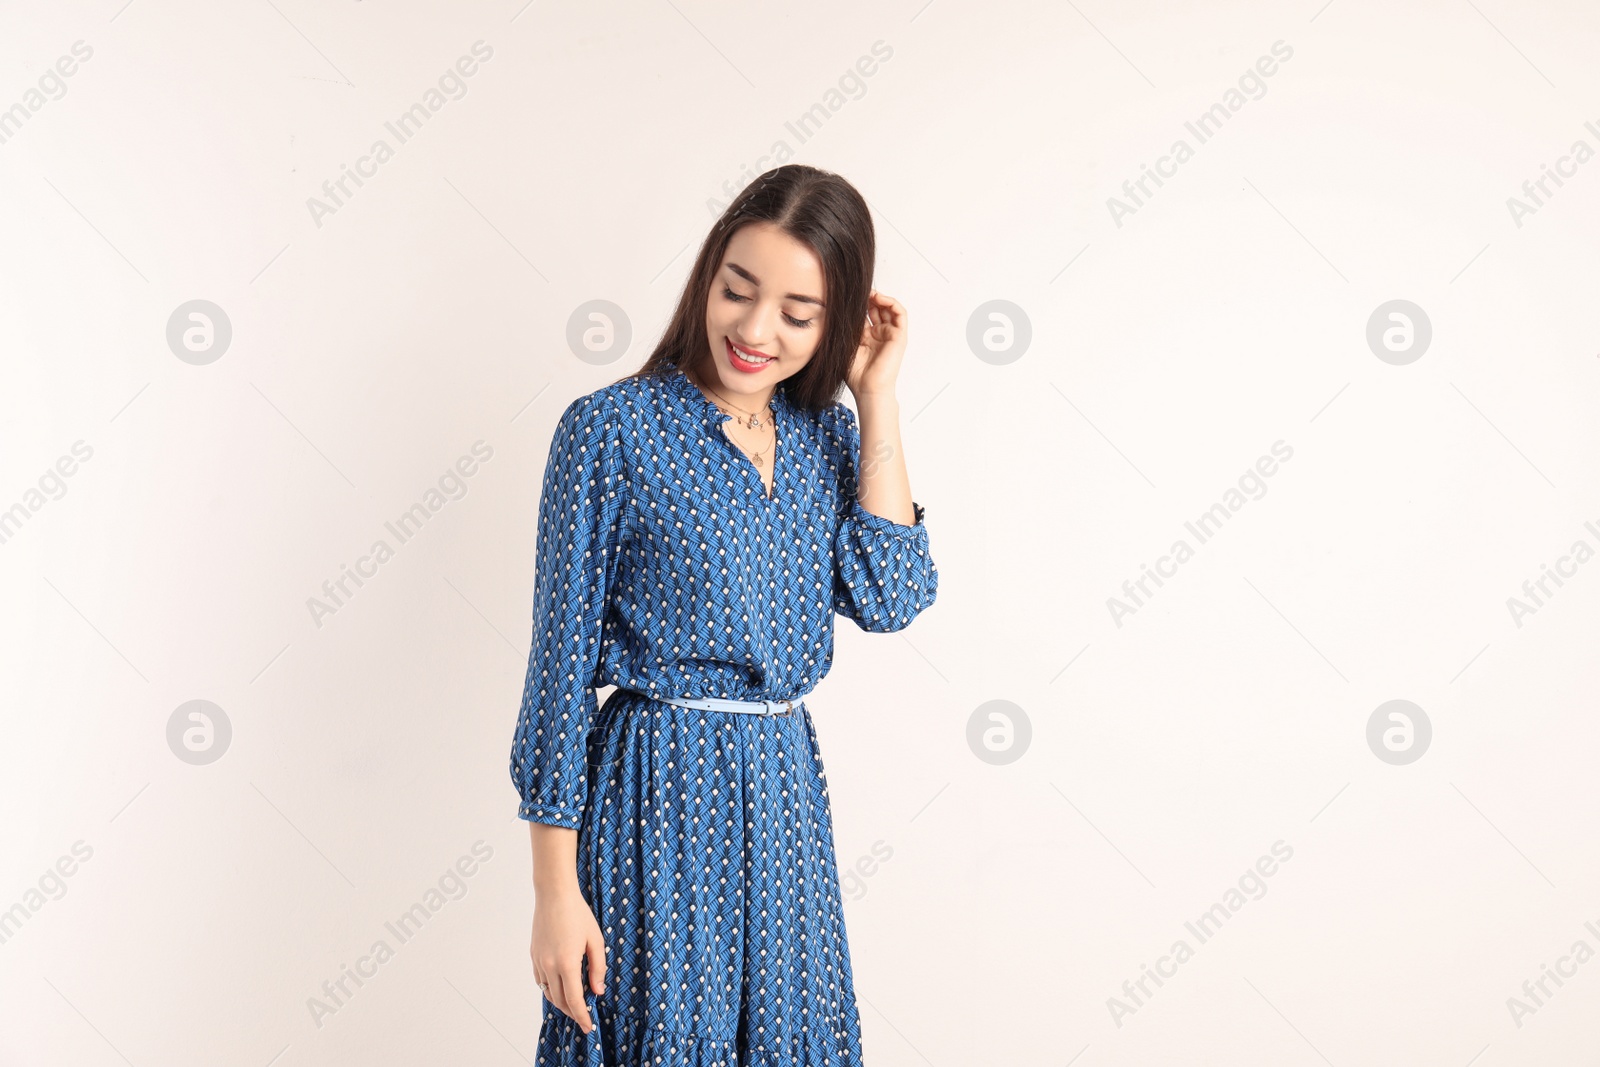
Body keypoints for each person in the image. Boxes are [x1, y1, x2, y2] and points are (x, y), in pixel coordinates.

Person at [510, 163, 939, 1065]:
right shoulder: (610, 430)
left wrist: (879, 396)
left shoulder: (825, 432)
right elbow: (557, 669)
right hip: (653, 790)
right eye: (737, 290)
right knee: (660, 1035)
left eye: (797, 311)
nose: (754, 329)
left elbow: (891, 594)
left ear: (837, 319)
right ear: (708, 274)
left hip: (784, 794)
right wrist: (555, 893)